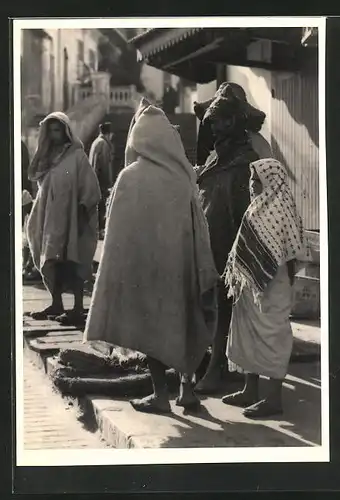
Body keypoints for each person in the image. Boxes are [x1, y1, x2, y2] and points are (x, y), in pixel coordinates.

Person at [83, 98, 218, 414]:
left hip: (146, 272)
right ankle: (187, 390)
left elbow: (116, 235)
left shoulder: (129, 178)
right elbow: (200, 229)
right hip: (182, 270)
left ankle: (160, 395)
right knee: (186, 325)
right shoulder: (183, 179)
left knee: (152, 331)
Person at [222, 158, 308, 418]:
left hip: (272, 285)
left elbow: (294, 252)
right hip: (251, 285)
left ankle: (273, 400)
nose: (251, 184)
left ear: (269, 181)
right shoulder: (255, 208)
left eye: (256, 179)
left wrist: (275, 281)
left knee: (272, 336)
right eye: (251, 179)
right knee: (247, 334)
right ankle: (250, 390)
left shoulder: (281, 209)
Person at [193, 84, 262, 395]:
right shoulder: (212, 160)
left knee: (226, 306)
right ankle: (213, 363)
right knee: (211, 306)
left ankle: (218, 366)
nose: (216, 127)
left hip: (231, 246)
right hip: (208, 243)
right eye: (213, 122)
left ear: (235, 122)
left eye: (222, 121)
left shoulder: (247, 160)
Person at [26, 112, 101, 325]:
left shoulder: (77, 156)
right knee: (51, 260)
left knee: (72, 259)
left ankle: (78, 307)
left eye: (57, 130)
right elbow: (40, 183)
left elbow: (90, 187)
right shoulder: (47, 157)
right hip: (50, 220)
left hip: (71, 218)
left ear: (66, 131)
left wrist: (81, 210)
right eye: (50, 131)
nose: (54, 135)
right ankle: (56, 302)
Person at [194, 82, 272, 166]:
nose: (215, 125)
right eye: (215, 119)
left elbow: (269, 173)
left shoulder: (257, 144)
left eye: (224, 118)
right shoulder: (216, 144)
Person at [89, 122, 115, 238]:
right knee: (102, 206)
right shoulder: (104, 144)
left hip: (94, 179)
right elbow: (105, 166)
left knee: (97, 207)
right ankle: (100, 230)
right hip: (100, 181)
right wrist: (108, 183)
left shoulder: (96, 142)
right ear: (109, 134)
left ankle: (96, 229)